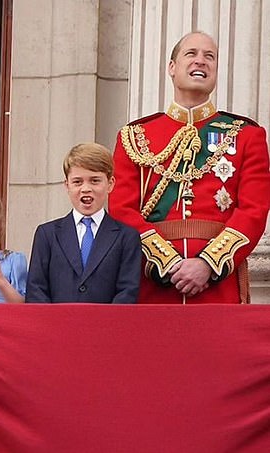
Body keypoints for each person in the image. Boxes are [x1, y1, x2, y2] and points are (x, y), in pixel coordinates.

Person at [109, 31, 270, 304]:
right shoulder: (135, 136)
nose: (201, 61)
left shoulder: (246, 135)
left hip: (218, 286)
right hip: (154, 284)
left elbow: (253, 211)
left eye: (210, 57)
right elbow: (121, 209)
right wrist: (168, 263)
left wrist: (208, 264)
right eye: (191, 54)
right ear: (172, 68)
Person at [26, 143, 141, 303]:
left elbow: (127, 292)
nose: (86, 188)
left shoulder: (127, 237)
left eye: (95, 181)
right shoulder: (47, 234)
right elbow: (36, 289)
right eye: (77, 182)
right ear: (67, 185)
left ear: (110, 184)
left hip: (105, 326)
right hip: (56, 325)